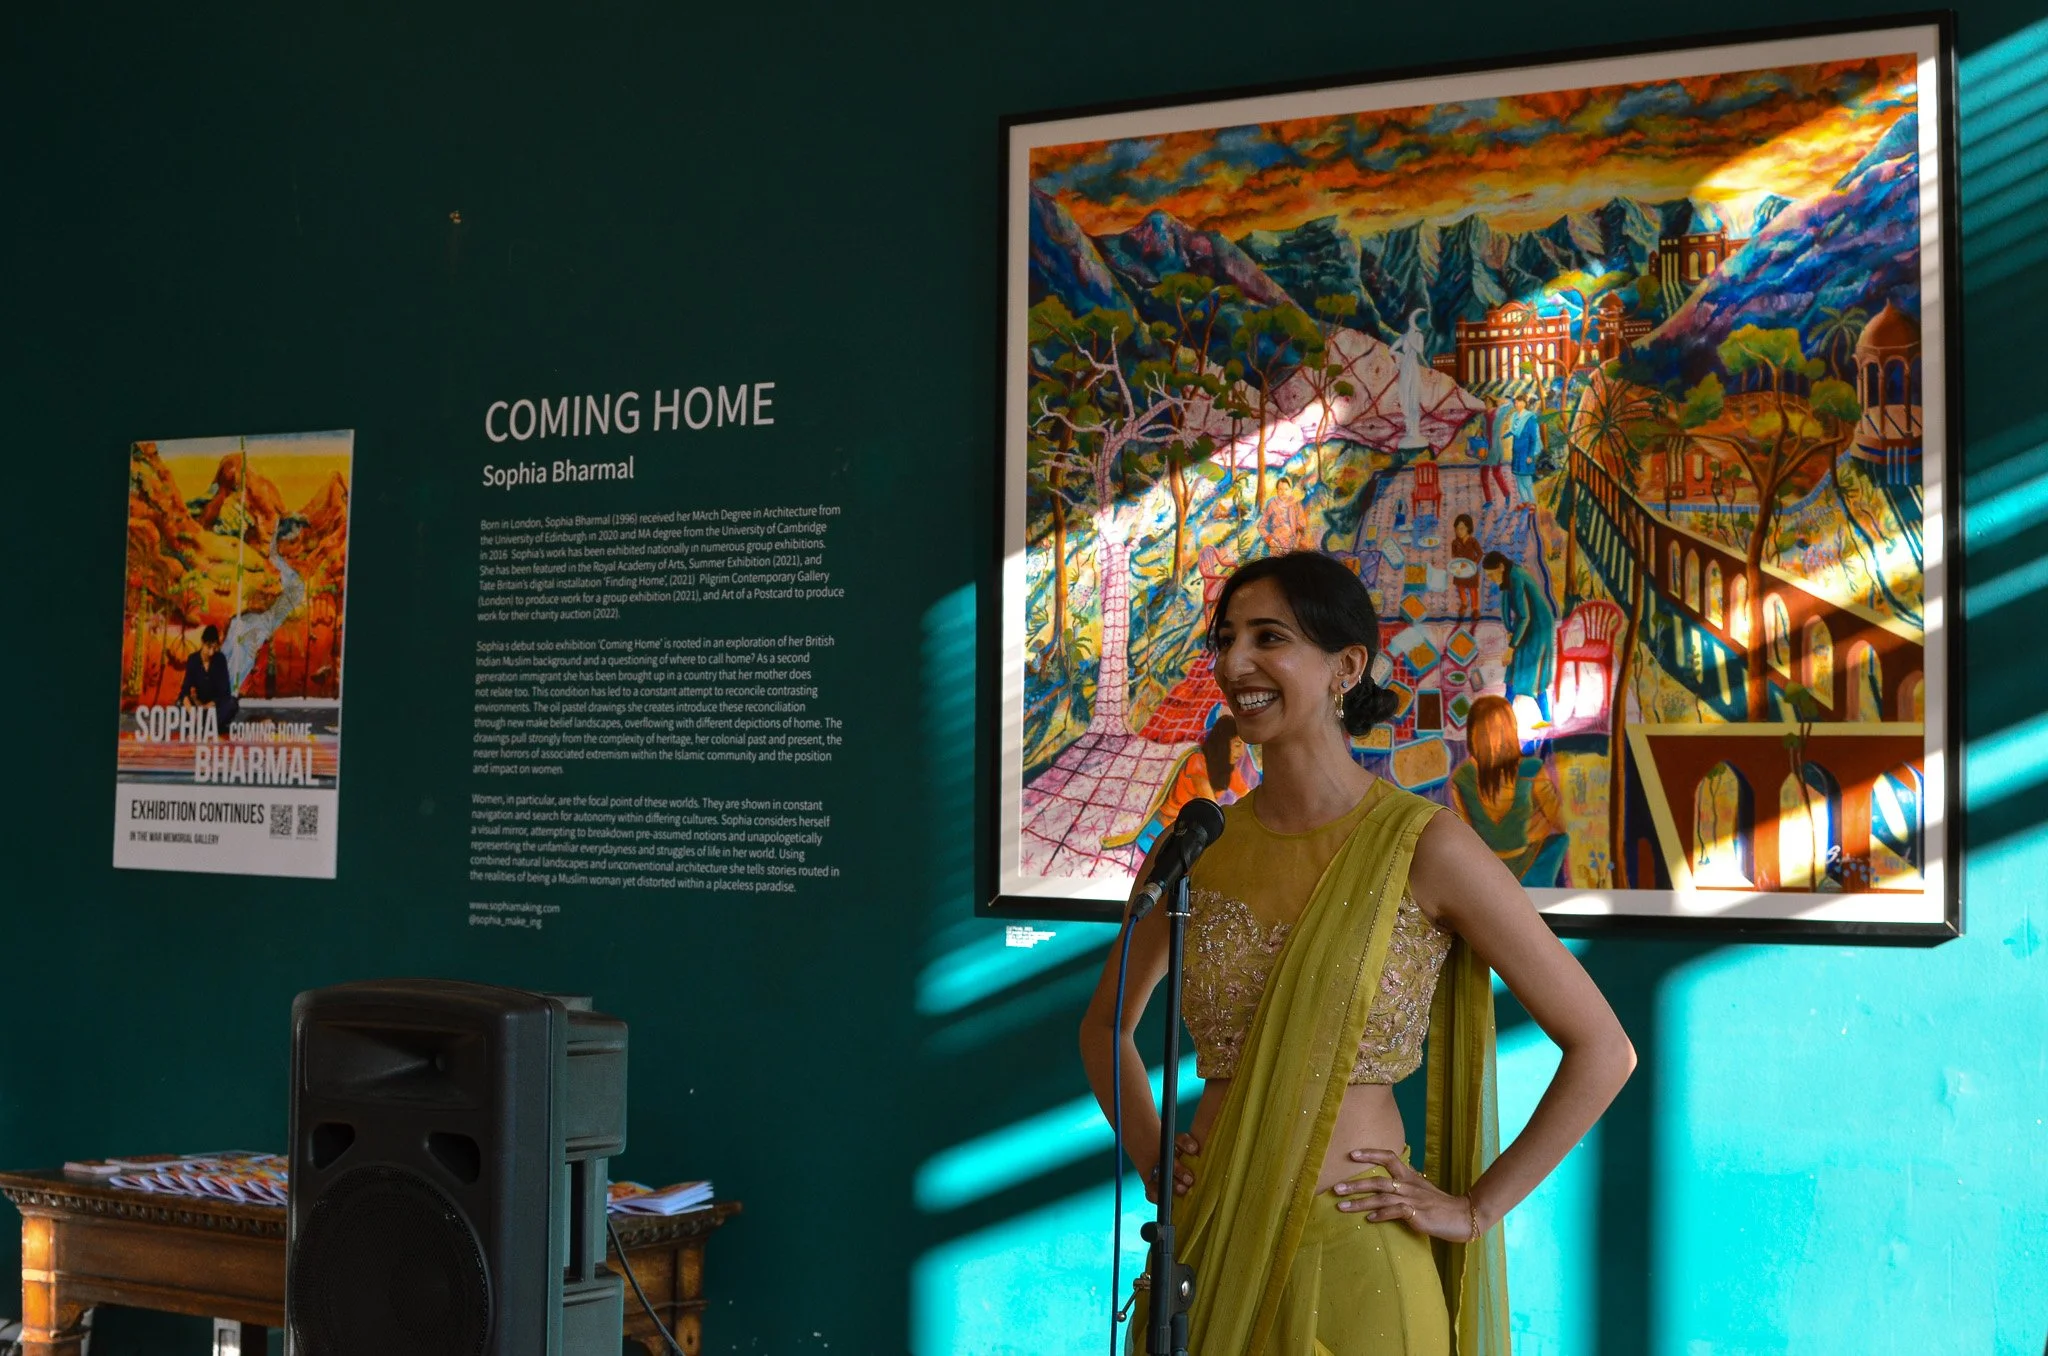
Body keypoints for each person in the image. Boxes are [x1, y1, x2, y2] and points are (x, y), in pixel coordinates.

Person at [1080, 550, 1634, 1355]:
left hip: (1360, 1262)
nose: (1234, 663)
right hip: (1210, 1243)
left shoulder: (1424, 845)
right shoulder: (1198, 847)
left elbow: (1604, 1048)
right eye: (1226, 639)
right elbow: (1105, 1027)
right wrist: (1151, 1151)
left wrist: (1476, 1208)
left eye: (1268, 638)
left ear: (1344, 667)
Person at [1450, 695, 1570, 885]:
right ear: (1511, 729)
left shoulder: (1461, 777)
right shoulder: (1532, 770)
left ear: (1472, 733)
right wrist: (1535, 826)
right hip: (1527, 868)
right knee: (1562, 839)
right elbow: (1561, 823)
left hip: (1485, 869)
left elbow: (1466, 832)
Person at [1103, 713, 1255, 855]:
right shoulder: (1197, 762)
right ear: (1222, 743)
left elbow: (1249, 795)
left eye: (1244, 746)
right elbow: (1211, 805)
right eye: (1237, 744)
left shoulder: (1229, 770)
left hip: (1187, 835)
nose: (1242, 752)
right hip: (1162, 832)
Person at [1483, 550, 1556, 726]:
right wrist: (1510, 630)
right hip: (1526, 623)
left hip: (1539, 626)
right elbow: (1505, 606)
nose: (1491, 579)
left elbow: (1524, 616)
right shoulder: (1507, 576)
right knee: (1513, 670)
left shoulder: (1516, 577)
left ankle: (1546, 718)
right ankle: (1504, 713)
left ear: (1501, 567)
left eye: (1492, 574)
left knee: (1533, 673)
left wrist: (1511, 647)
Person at [177, 624, 239, 730]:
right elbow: (185, 691)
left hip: (213, 707)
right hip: (197, 706)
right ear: (202, 642)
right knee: (180, 704)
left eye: (214, 648)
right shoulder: (193, 660)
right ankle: (210, 726)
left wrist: (208, 706)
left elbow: (225, 692)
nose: (211, 652)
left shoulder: (220, 659)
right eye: (209, 647)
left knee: (232, 703)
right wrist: (192, 710)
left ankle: (204, 726)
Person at [1473, 403, 1512, 510]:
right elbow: (1481, 429)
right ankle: (1489, 500)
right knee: (1483, 475)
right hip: (1485, 449)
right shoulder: (1483, 415)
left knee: (1497, 473)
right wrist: (1478, 434)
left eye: (1488, 401)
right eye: (1485, 401)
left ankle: (1507, 494)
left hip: (1495, 449)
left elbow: (1510, 404)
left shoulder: (1499, 412)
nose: (1486, 404)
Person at [1507, 396, 1541, 509]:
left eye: (1518, 402)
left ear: (1524, 403)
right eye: (1515, 402)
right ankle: (1525, 501)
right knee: (1518, 479)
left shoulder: (1530, 418)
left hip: (1526, 453)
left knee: (1526, 480)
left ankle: (1532, 503)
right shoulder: (1515, 417)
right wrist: (1504, 436)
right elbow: (1514, 432)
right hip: (1517, 452)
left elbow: (1533, 438)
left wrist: (1530, 455)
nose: (1515, 404)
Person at [1450, 512, 1483, 624]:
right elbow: (1454, 555)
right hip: (1460, 570)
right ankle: (1464, 603)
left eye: (1462, 529)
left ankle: (1475, 608)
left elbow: (1480, 553)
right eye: (1457, 529)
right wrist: (1457, 562)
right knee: (1460, 587)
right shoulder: (1455, 542)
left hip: (1471, 570)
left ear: (1468, 528)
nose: (1459, 531)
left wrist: (1474, 563)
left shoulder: (1473, 541)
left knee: (1473, 589)